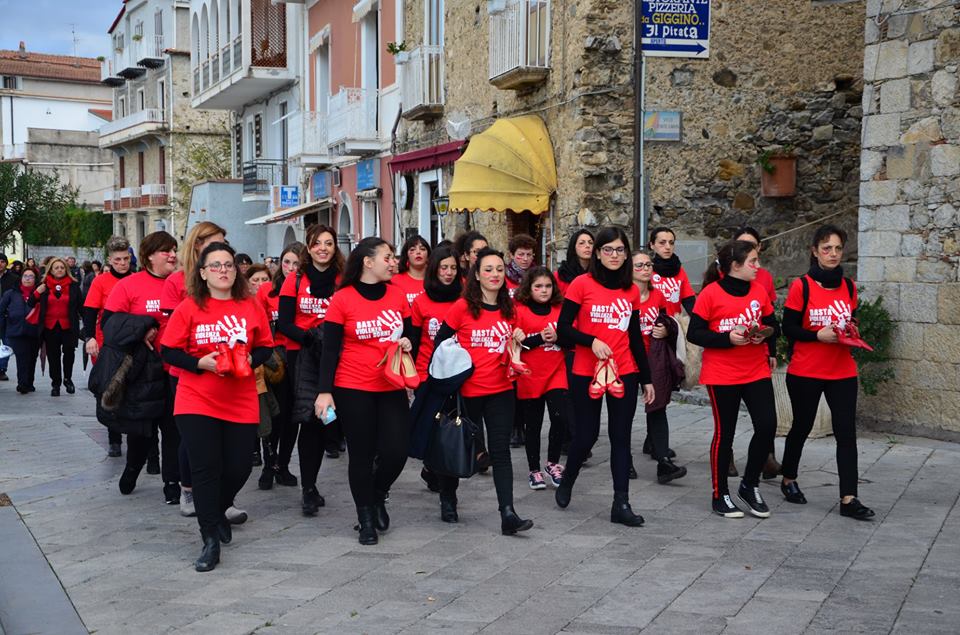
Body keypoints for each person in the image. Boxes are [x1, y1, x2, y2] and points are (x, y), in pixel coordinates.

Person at [161, 242, 274, 572]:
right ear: (203, 273)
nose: (223, 270)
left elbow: (267, 346)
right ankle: (209, 537)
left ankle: (219, 506)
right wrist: (200, 364)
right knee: (205, 468)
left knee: (239, 467)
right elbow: (169, 351)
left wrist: (253, 358)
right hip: (197, 398)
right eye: (216, 265)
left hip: (240, 398)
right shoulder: (190, 307)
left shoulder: (250, 305)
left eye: (228, 265)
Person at [313, 237, 414, 545]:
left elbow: (410, 332)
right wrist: (324, 391)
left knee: (397, 450)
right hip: (352, 385)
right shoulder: (343, 299)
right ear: (368, 262)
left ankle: (378, 493)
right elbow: (330, 350)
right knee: (361, 453)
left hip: (390, 384)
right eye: (388, 256)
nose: (393, 261)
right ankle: (365, 516)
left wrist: (408, 342)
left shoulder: (397, 296)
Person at [555, 227, 655, 527]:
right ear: (597, 253)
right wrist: (591, 341)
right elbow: (563, 329)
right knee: (586, 436)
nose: (614, 255)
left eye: (620, 250)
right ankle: (568, 478)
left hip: (624, 371)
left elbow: (635, 337)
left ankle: (620, 502)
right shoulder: (581, 285)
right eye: (608, 250)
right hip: (587, 372)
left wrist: (647, 378)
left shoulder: (631, 290)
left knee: (621, 438)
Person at [431, 247, 534, 535]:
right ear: (476, 275)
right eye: (488, 269)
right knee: (457, 445)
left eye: (500, 269)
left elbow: (518, 345)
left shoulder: (511, 308)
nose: (495, 275)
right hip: (467, 393)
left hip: (501, 390)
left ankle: (508, 513)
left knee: (500, 452)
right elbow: (441, 342)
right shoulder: (462, 307)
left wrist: (519, 339)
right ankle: (448, 497)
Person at [780, 225, 874, 521]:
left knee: (846, 433)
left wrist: (851, 331)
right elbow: (789, 328)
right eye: (826, 248)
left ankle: (849, 498)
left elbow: (851, 318)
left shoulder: (848, 286)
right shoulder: (802, 286)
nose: (832, 254)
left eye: (837, 248)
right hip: (807, 369)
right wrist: (817, 335)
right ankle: (788, 479)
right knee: (802, 426)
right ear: (815, 251)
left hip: (842, 370)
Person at [687, 240, 779, 519]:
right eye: (752, 261)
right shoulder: (711, 293)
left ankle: (749, 486)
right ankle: (720, 494)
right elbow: (695, 333)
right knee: (724, 433)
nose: (758, 266)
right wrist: (727, 338)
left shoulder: (759, 290)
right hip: (722, 373)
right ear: (735, 266)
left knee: (767, 426)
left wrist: (761, 333)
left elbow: (774, 325)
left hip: (755, 370)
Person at [102, 231, 181, 504]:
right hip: (141, 371)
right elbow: (110, 326)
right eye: (165, 251)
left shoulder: (184, 284)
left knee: (173, 430)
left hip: (175, 369)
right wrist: (145, 326)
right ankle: (132, 468)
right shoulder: (129, 285)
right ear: (149, 256)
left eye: (174, 250)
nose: (172, 255)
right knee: (142, 430)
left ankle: (172, 483)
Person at [160, 222, 227, 516]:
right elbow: (172, 331)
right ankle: (188, 490)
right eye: (215, 242)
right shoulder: (177, 282)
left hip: (225, 369)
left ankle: (223, 497)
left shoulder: (227, 277)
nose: (221, 248)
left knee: (224, 437)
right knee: (192, 437)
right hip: (187, 371)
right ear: (198, 245)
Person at [278, 225, 344, 507]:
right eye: (317, 243)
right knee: (310, 420)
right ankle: (309, 487)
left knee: (331, 418)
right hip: (302, 356)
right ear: (308, 247)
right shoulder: (294, 280)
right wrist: (308, 337)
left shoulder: (343, 280)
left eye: (329, 243)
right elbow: (283, 322)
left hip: (337, 355)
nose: (323, 248)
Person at [408, 245, 462, 493]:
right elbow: (416, 341)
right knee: (429, 426)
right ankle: (431, 467)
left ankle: (444, 479)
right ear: (434, 270)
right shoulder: (421, 302)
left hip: (457, 374)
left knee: (450, 429)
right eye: (444, 268)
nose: (449, 273)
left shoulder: (464, 299)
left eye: (453, 267)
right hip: (427, 373)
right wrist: (416, 377)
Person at [513, 266, 571, 490]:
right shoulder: (521, 311)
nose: (544, 290)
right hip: (530, 375)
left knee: (560, 418)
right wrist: (539, 338)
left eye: (547, 286)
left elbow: (570, 340)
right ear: (529, 288)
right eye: (538, 286)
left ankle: (553, 463)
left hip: (556, 372)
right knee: (533, 424)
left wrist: (558, 336)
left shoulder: (560, 309)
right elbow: (517, 345)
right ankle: (534, 469)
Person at [632, 250, 687, 483]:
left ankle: (663, 461)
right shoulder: (624, 295)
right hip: (628, 358)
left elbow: (665, 320)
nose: (646, 269)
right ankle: (623, 461)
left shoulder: (658, 296)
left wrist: (665, 329)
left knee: (658, 406)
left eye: (648, 265)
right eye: (640, 265)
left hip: (653, 357)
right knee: (623, 413)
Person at [733, 227, 781, 480]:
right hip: (728, 360)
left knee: (765, 417)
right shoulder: (724, 276)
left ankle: (767, 458)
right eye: (741, 245)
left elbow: (769, 318)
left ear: (759, 247)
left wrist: (771, 349)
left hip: (757, 353)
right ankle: (727, 456)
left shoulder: (764, 278)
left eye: (751, 245)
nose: (747, 249)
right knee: (727, 419)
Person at [255, 242, 302, 490]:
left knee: (292, 416)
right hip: (272, 359)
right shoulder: (265, 291)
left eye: (296, 263)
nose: (290, 268)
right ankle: (268, 464)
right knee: (273, 413)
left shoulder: (305, 291)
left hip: (297, 358)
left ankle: (283, 465)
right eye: (286, 262)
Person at [83, 236, 133, 457]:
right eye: (118, 259)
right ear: (110, 260)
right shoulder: (101, 281)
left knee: (132, 389)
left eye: (125, 258)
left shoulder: (136, 279)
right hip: (106, 343)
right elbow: (90, 311)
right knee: (109, 389)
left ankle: (134, 434)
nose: (122, 263)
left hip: (132, 342)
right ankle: (114, 438)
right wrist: (90, 338)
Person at [34, 257, 81, 396]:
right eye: (56, 268)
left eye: (62, 267)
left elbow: (81, 306)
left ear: (66, 269)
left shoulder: (73, 286)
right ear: (51, 270)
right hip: (50, 327)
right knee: (53, 357)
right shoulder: (44, 285)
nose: (59, 270)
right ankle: (56, 384)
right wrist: (38, 291)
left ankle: (68, 379)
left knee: (69, 355)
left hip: (68, 327)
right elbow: (31, 302)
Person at [0, 267, 41, 393]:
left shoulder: (40, 293)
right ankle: (22, 383)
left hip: (35, 331)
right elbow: (1, 310)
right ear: (21, 278)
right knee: (22, 357)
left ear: (35, 279)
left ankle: (29, 382)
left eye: (31, 276)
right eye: (25, 276)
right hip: (16, 331)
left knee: (32, 357)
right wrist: (3, 326)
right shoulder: (11, 293)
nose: (28, 279)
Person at [648, 227, 697, 317]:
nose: (668, 247)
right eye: (662, 243)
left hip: (673, 324)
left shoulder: (680, 271)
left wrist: (698, 323)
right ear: (652, 245)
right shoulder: (647, 270)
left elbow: (689, 301)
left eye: (671, 243)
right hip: (650, 323)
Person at [392, 235, 430, 305]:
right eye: (412, 249)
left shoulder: (435, 279)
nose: (418, 252)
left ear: (428, 256)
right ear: (406, 256)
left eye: (422, 249)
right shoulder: (395, 281)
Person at [555, 229, 594, 295]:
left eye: (591, 243)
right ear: (574, 247)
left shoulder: (599, 273)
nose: (587, 246)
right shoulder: (561, 274)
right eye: (582, 243)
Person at [0, 252, 19, 381]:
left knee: (7, 343)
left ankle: (2, 369)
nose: (0, 264)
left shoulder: (14, 278)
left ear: (6, 263)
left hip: (7, 316)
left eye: (2, 261)